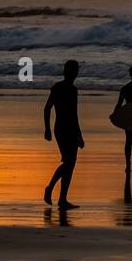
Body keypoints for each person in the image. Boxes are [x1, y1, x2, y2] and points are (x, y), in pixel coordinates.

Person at [43, 60, 84, 208]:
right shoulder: (70, 90)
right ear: (74, 73)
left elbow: (48, 109)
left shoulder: (59, 87)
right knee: (68, 163)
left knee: (70, 164)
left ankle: (62, 199)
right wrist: (79, 134)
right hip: (66, 128)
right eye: (75, 70)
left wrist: (48, 128)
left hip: (61, 128)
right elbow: (73, 114)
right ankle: (50, 188)